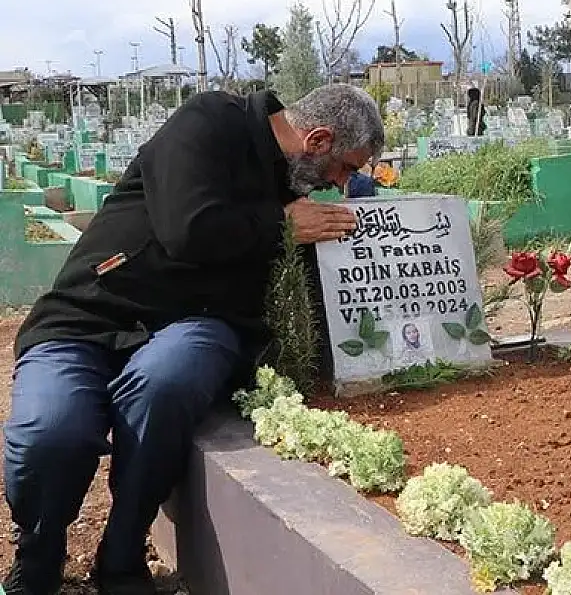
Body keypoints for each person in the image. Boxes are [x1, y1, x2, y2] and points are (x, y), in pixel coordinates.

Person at [3, 84, 384, 595]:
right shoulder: (213, 121)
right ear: (318, 140)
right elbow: (187, 229)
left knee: (165, 383)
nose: (341, 185)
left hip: (196, 324)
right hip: (87, 315)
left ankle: (122, 555)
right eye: (344, 168)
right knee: (51, 431)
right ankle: (38, 555)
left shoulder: (296, 184)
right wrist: (279, 224)